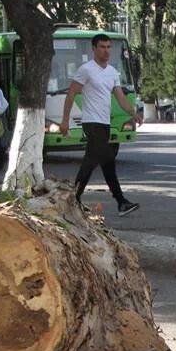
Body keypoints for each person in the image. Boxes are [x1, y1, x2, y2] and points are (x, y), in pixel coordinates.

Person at [60, 33, 144, 216]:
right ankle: (118, 201)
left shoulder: (113, 72)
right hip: (91, 122)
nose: (106, 51)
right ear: (94, 49)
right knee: (101, 161)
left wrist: (133, 113)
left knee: (97, 162)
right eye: (102, 47)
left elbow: (120, 97)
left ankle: (75, 198)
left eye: (108, 47)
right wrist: (65, 120)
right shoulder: (86, 69)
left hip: (104, 123)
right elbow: (71, 94)